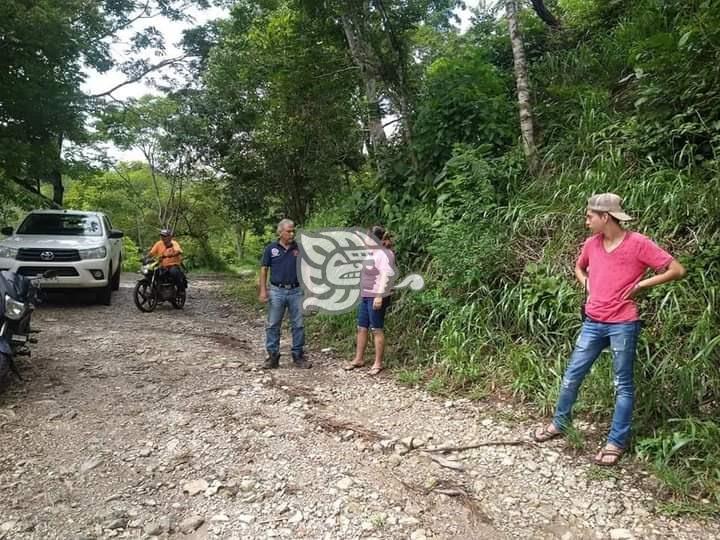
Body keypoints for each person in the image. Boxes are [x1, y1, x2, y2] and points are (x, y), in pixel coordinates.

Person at [533, 193, 686, 466]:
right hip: (593, 322)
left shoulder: (638, 244)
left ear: (606, 217)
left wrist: (641, 286)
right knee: (571, 376)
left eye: (590, 216)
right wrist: (587, 283)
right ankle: (560, 423)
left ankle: (616, 441)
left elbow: (676, 269)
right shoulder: (592, 244)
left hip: (623, 324)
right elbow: (579, 268)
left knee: (622, 385)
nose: (586, 221)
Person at [259, 219, 310, 369]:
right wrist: (263, 290)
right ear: (280, 232)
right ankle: (273, 356)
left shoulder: (299, 248)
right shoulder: (271, 249)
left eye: (293, 230)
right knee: (273, 324)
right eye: (288, 231)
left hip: (296, 291)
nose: (292, 234)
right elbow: (263, 269)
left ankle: (298, 355)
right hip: (276, 291)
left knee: (298, 325)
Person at [344, 225, 395, 376]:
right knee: (361, 327)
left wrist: (379, 296)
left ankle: (378, 363)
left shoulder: (385, 254)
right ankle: (359, 359)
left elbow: (385, 276)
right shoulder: (370, 253)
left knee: (376, 329)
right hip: (366, 295)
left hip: (377, 296)